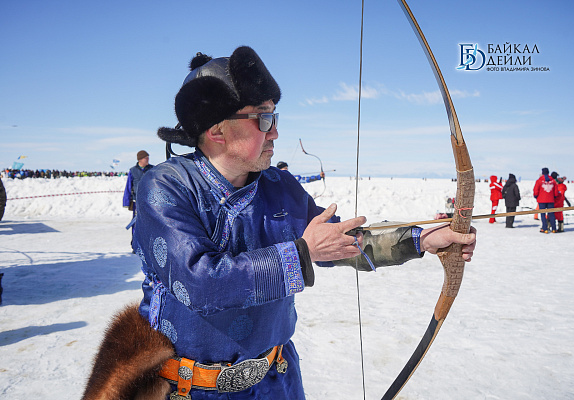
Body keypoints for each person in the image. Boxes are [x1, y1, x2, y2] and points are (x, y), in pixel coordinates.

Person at [83, 46, 477, 400]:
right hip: (190, 389)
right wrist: (302, 254)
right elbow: (199, 282)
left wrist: (422, 239)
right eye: (263, 118)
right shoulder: (165, 186)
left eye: (274, 116)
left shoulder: (280, 186)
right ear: (217, 129)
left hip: (276, 380)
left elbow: (339, 241)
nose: (275, 131)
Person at [122, 150, 153, 250]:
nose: (148, 159)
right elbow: (128, 186)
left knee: (150, 224)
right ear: (140, 159)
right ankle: (136, 245)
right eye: (146, 158)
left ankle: (148, 246)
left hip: (150, 202)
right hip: (137, 202)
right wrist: (126, 201)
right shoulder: (133, 170)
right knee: (136, 224)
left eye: (148, 157)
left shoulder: (152, 169)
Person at [533, 167, 558, 233]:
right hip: (551, 200)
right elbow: (556, 190)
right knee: (551, 214)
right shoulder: (553, 181)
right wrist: (554, 196)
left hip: (541, 200)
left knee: (543, 214)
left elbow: (536, 189)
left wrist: (536, 196)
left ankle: (545, 228)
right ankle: (554, 228)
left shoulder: (539, 180)